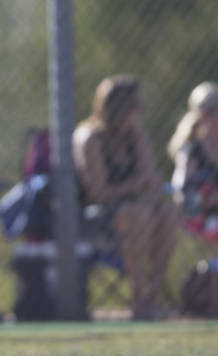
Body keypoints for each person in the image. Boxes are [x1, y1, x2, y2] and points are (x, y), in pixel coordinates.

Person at [73, 75, 178, 320]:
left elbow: (152, 181)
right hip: (93, 216)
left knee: (168, 212)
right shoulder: (91, 137)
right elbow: (98, 193)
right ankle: (137, 298)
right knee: (138, 214)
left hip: (132, 210)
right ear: (118, 107)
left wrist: (141, 138)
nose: (140, 111)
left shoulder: (134, 134)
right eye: (135, 105)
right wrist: (137, 185)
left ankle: (153, 296)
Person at [168, 81, 218, 242]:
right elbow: (181, 188)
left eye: (214, 110)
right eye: (206, 111)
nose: (211, 117)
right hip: (202, 213)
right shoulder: (191, 149)